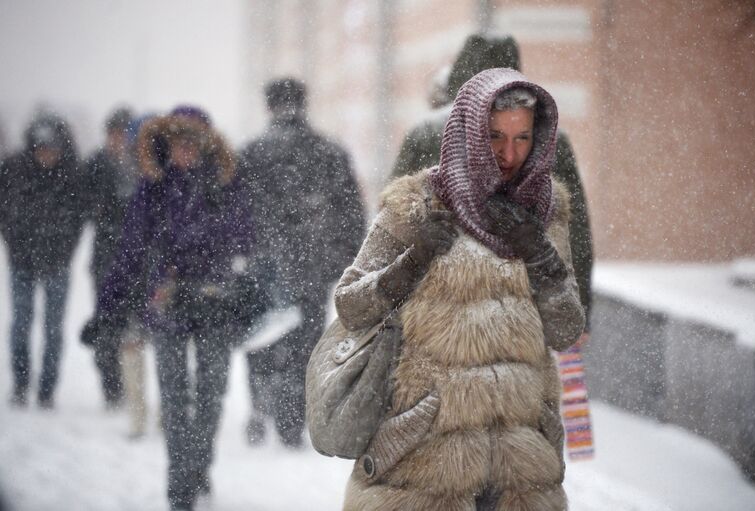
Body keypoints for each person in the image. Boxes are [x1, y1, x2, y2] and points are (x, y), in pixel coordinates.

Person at [319, 68, 585, 509]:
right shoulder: (415, 204)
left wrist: (541, 258)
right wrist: (414, 260)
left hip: (518, 462)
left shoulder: (546, 212)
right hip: (426, 453)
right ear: (469, 133)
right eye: (495, 136)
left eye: (522, 138)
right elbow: (351, 305)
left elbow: (565, 331)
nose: (508, 153)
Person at [81, 106, 254, 510]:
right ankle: (179, 485)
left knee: (211, 394)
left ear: (207, 144)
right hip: (167, 303)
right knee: (175, 398)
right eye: (177, 142)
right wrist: (106, 308)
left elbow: (247, 238)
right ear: (165, 143)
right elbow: (129, 250)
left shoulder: (227, 181)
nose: (185, 150)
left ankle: (199, 466)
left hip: (215, 301)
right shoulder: (153, 186)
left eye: (192, 142)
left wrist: (214, 237)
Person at [391, 32, 593, 333]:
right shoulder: (550, 137)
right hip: (522, 319)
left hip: (432, 320)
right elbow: (575, 231)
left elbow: (394, 220)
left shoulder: (425, 131)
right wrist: (582, 306)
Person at [239, 78, 367, 447]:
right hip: (314, 266)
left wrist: (245, 256)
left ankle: (260, 406)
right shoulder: (329, 152)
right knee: (306, 343)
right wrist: (343, 260)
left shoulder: (251, 153)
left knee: (262, 336)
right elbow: (351, 213)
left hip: (263, 266)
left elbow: (235, 214)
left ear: (269, 106)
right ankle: (292, 421)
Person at [0, 111, 84, 408]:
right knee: (21, 324)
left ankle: (47, 389)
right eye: (41, 148)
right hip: (21, 260)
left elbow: (78, 218)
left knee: (53, 328)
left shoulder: (72, 175)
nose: (46, 154)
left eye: (52, 149)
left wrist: (64, 251)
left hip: (57, 262)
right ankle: (21, 384)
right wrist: (14, 242)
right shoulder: (12, 170)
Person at [81, 107, 136, 409]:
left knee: (132, 327)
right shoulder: (96, 165)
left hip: (134, 260)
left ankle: (130, 387)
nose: (119, 140)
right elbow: (83, 205)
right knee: (106, 325)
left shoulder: (142, 167)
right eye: (115, 133)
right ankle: (111, 386)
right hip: (105, 258)